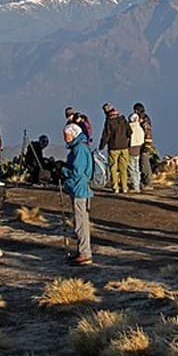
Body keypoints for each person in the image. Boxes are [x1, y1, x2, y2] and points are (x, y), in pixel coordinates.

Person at [62, 124, 94, 265]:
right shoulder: (80, 147)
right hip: (78, 188)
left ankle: (84, 253)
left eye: (66, 135)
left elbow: (77, 171)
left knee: (81, 222)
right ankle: (83, 251)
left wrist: (63, 170)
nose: (65, 138)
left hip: (79, 189)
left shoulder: (79, 149)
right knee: (80, 221)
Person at [99, 103, 133, 193]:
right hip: (124, 147)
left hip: (113, 147)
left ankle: (115, 187)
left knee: (113, 168)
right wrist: (127, 141)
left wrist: (101, 146)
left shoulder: (109, 121)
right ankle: (124, 187)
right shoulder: (122, 119)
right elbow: (130, 131)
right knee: (123, 168)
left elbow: (106, 135)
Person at [133, 102, 154, 188]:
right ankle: (144, 181)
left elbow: (148, 134)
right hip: (143, 144)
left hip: (144, 145)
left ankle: (148, 183)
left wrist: (147, 146)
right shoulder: (144, 118)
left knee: (144, 164)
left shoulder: (144, 121)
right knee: (142, 163)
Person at [128, 113, 145, 192]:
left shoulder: (130, 128)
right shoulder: (140, 128)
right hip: (137, 150)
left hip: (131, 149)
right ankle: (137, 185)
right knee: (136, 168)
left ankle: (135, 186)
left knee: (131, 169)